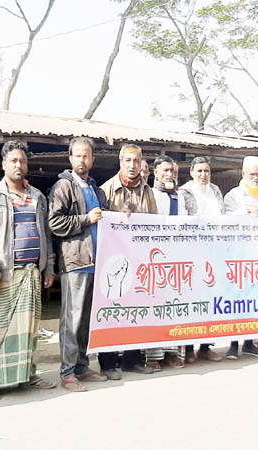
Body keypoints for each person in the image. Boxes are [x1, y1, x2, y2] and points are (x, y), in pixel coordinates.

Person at [0, 140, 56, 400]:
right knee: (0, 328)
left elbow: (45, 233)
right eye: (13, 160)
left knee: (29, 328)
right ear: (3, 164)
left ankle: (28, 374)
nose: (18, 165)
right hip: (6, 273)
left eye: (22, 160)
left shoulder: (37, 196)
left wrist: (49, 268)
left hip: (33, 272)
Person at [47, 137, 109, 392]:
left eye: (87, 156)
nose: (82, 160)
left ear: (93, 160)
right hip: (75, 261)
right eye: (78, 156)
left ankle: (82, 365)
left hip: (97, 261)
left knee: (86, 320)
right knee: (71, 319)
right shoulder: (63, 186)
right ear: (70, 158)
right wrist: (85, 219)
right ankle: (68, 371)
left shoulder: (96, 189)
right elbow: (54, 223)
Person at [99, 144, 157, 378]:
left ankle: (133, 359)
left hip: (139, 258)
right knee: (111, 312)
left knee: (137, 310)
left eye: (136, 161)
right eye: (127, 161)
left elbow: (153, 223)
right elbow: (101, 225)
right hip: (112, 261)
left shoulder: (148, 191)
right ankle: (108, 362)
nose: (132, 166)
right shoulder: (106, 190)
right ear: (120, 162)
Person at [223, 156, 258, 359]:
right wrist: (246, 210)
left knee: (254, 301)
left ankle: (250, 343)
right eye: (252, 174)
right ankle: (233, 345)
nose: (255, 177)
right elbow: (224, 219)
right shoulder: (233, 195)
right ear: (243, 174)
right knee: (237, 300)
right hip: (238, 254)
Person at [178, 156, 224, 362]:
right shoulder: (184, 192)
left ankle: (205, 347)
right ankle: (188, 348)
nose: (203, 175)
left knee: (210, 302)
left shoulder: (215, 191)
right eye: (199, 171)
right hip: (192, 252)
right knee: (192, 303)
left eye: (206, 171)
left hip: (214, 252)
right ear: (191, 173)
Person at [146, 155, 187, 369]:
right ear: (156, 173)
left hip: (176, 261)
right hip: (153, 260)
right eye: (165, 170)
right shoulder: (149, 195)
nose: (169, 174)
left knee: (174, 308)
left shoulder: (180, 198)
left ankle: (172, 353)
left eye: (172, 171)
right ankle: (152, 355)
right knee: (154, 308)